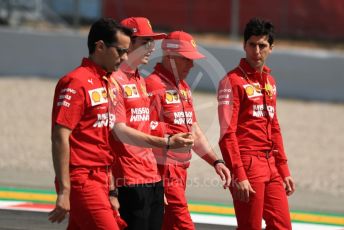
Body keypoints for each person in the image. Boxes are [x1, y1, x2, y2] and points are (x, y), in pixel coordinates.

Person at [108, 18, 194, 230]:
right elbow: (119, 131)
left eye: (152, 42)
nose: (151, 48)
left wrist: (158, 181)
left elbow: (146, 127)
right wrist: (165, 141)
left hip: (152, 178)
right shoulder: (114, 80)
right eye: (146, 42)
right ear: (128, 42)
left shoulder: (139, 79)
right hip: (128, 180)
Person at [48, 18, 132, 230]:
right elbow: (60, 136)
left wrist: (111, 189)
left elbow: (102, 142)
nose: (125, 57)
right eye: (120, 51)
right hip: (81, 179)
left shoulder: (109, 82)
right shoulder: (75, 82)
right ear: (100, 46)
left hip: (101, 178)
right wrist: (65, 191)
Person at [145, 31, 231, 230]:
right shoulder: (152, 85)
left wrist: (216, 161)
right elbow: (140, 134)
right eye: (186, 59)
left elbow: (194, 129)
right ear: (169, 57)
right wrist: (156, 181)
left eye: (192, 59)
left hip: (180, 171)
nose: (191, 65)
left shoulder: (183, 87)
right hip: (162, 172)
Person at [217, 18, 296, 230]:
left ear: (271, 48)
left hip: (271, 165)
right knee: (249, 227)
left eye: (262, 46)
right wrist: (239, 174)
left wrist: (284, 169)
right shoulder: (231, 81)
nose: (256, 51)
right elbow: (227, 133)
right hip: (247, 163)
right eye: (252, 45)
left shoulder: (270, 82)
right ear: (244, 45)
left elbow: (275, 127)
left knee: (283, 225)